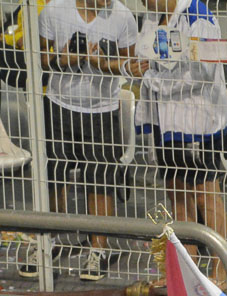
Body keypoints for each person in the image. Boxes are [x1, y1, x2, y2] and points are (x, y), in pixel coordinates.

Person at [38, 0, 146, 281]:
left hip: (103, 109)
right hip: (59, 105)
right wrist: (66, 60)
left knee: (101, 180)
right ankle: (49, 238)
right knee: (54, 176)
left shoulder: (122, 16)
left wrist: (100, 63)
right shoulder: (53, 10)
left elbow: (129, 66)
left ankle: (97, 249)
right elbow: (38, 59)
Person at [135, 0, 227, 287]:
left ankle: (222, 270)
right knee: (177, 194)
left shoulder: (197, 15)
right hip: (166, 119)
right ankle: (189, 271)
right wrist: (146, 68)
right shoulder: (153, 17)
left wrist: (161, 73)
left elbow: (206, 68)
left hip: (199, 119)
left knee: (205, 194)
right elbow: (144, 55)